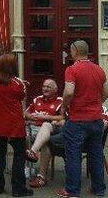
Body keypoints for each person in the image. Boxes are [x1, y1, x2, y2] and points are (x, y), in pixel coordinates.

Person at [57, 40, 108, 198]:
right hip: (96, 120)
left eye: (71, 51)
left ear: (75, 51)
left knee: (73, 155)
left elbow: (69, 91)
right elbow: (106, 92)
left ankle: (72, 190)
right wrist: (97, 103)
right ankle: (99, 189)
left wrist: (64, 105)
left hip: (78, 118)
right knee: (96, 154)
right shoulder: (99, 70)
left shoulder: (72, 69)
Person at [0, 54, 33, 197]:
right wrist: (22, 84)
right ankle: (18, 188)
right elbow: (21, 96)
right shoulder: (17, 83)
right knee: (19, 156)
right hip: (14, 124)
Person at [23, 79, 63, 188]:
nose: (45, 88)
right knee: (19, 136)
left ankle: (34, 157)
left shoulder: (60, 101)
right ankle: (27, 167)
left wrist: (45, 117)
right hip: (32, 127)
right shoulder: (37, 100)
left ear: (55, 90)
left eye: (48, 87)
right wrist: (30, 116)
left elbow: (63, 117)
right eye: (44, 86)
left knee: (46, 141)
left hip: (47, 130)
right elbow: (26, 112)